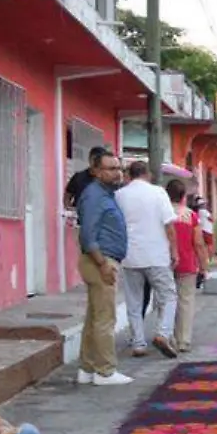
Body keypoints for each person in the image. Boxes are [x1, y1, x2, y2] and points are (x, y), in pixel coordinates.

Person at [76, 152, 132, 385]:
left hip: (105, 260)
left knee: (94, 317)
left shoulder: (106, 195)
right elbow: (88, 235)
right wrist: (103, 265)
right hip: (101, 261)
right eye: (110, 168)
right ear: (96, 171)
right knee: (105, 319)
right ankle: (105, 371)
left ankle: (87, 368)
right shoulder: (94, 196)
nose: (117, 172)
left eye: (118, 168)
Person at [114, 161, 178, 360]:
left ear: (129, 175)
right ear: (147, 174)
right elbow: (169, 225)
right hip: (156, 254)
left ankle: (138, 343)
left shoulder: (119, 195)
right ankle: (163, 333)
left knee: (134, 301)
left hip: (130, 255)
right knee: (168, 296)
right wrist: (174, 251)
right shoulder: (158, 193)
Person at [168, 180, 206, 353]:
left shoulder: (162, 213)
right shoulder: (191, 215)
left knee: (167, 301)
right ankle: (183, 340)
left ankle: (168, 337)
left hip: (165, 262)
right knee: (186, 301)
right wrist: (203, 266)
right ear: (184, 196)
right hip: (187, 263)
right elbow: (198, 243)